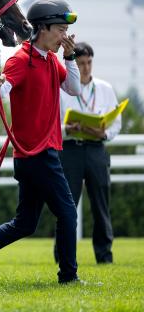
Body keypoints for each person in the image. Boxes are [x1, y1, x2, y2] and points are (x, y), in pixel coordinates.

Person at [0, 0, 83, 284]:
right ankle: (69, 277)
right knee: (68, 214)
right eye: (59, 30)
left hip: (35, 156)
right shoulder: (21, 60)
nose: (64, 36)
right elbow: (3, 88)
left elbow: (73, 89)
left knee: (24, 224)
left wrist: (69, 58)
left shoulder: (50, 60)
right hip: (37, 155)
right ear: (43, 28)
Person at [55, 42, 121, 264]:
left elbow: (116, 123)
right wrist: (68, 130)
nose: (85, 68)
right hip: (70, 149)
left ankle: (104, 256)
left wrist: (103, 133)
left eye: (88, 62)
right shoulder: (64, 89)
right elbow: (53, 124)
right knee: (67, 205)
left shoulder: (104, 88)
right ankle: (63, 254)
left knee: (101, 204)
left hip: (96, 150)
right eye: (81, 63)